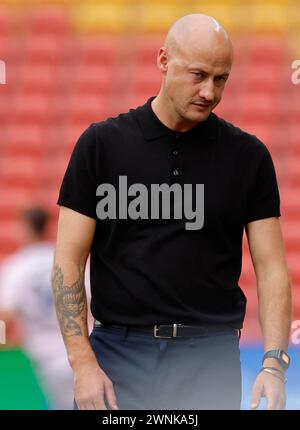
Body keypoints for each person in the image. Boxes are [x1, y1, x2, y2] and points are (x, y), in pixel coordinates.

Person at [52, 14, 292, 410]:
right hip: (117, 355)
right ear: (163, 60)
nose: (209, 91)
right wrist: (82, 364)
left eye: (221, 79)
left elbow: (272, 270)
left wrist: (273, 364)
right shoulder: (101, 145)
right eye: (198, 74)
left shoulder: (248, 157)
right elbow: (68, 263)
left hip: (210, 356)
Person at [0, 208, 74, 409]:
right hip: (82, 349)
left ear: (25, 228)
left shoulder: (17, 267)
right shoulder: (67, 258)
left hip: (45, 356)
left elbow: (5, 316)